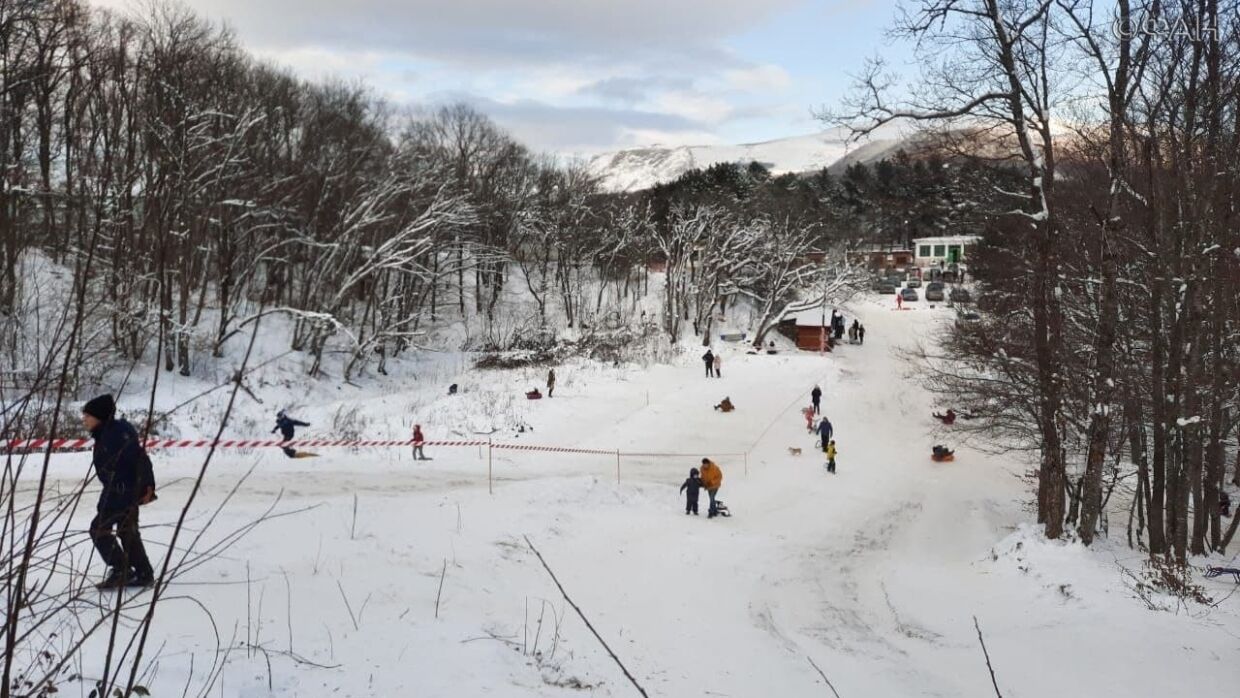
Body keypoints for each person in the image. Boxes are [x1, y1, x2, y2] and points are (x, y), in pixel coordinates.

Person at [83, 394, 156, 589]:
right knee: (127, 532)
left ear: (99, 416)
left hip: (124, 494)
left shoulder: (115, 435)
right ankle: (143, 573)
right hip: (118, 493)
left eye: (87, 416)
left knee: (98, 530)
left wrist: (147, 486)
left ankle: (121, 569)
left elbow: (140, 458)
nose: (84, 420)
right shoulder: (105, 434)